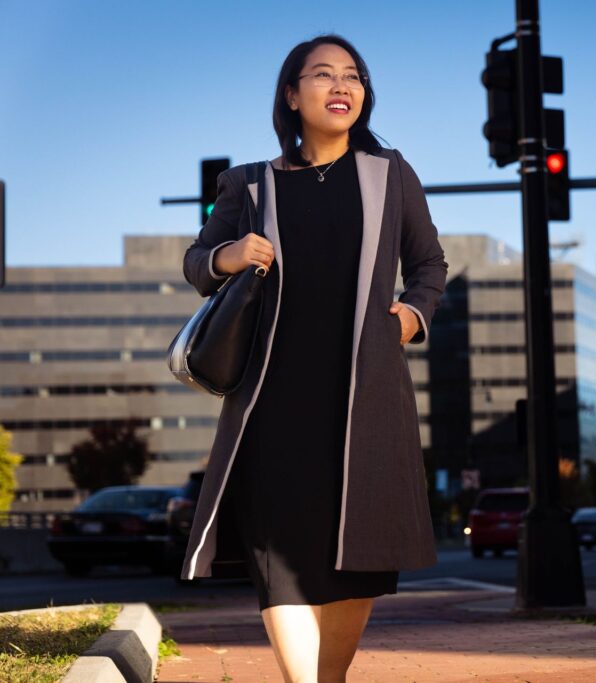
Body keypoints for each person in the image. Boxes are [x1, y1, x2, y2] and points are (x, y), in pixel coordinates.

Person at [179, 33, 448, 682]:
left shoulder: (390, 175)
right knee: (280, 557)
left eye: (351, 76)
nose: (340, 86)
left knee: (360, 563)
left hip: (366, 398)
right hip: (272, 402)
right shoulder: (247, 186)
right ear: (291, 94)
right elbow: (195, 262)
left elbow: (429, 264)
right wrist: (229, 255)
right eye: (322, 75)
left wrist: (412, 314)